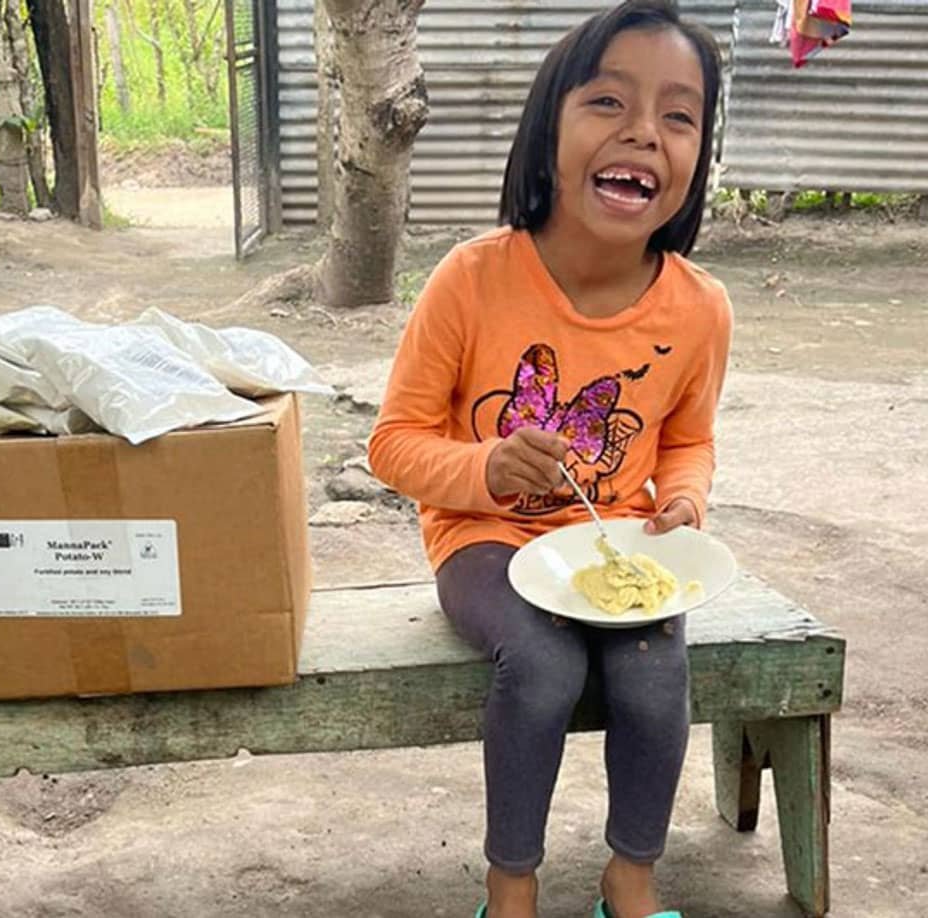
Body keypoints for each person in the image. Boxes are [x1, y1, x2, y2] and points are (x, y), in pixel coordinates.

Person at [366, 2, 730, 916]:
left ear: (697, 159)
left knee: (655, 665)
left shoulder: (699, 309)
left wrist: (683, 500)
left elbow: (687, 440)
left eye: (679, 115)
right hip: (480, 539)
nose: (644, 132)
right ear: (548, 129)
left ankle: (630, 885)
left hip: (612, 545)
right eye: (609, 102)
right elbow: (392, 445)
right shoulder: (473, 279)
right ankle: (511, 889)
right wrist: (485, 468)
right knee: (542, 663)